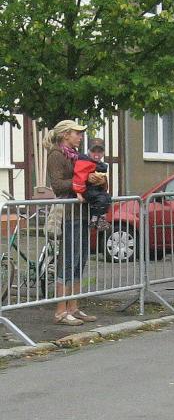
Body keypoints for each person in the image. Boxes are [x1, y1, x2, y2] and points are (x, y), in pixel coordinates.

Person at [45, 120, 107, 326]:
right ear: (65, 135)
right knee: (68, 261)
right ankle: (60, 311)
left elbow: (82, 178)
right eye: (77, 133)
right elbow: (57, 185)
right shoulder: (56, 155)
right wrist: (83, 182)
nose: (80, 137)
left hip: (82, 212)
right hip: (69, 214)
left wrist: (95, 180)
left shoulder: (75, 155)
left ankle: (73, 307)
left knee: (80, 261)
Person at [72, 140, 112, 231]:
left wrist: (103, 182)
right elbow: (79, 177)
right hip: (87, 191)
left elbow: (104, 186)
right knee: (101, 199)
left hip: (96, 191)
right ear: (89, 151)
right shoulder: (84, 162)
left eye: (100, 151)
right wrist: (78, 193)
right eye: (94, 151)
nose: (96, 154)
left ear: (103, 153)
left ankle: (99, 219)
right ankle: (95, 219)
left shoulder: (100, 166)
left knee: (107, 198)